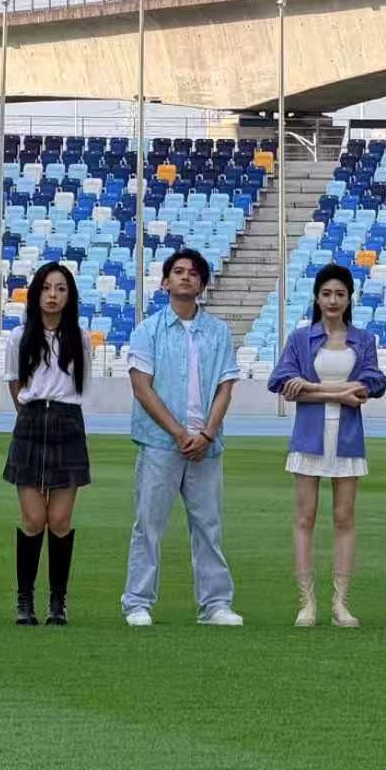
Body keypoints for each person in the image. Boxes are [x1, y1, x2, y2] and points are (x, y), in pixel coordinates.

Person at [122, 248, 244, 627]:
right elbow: (142, 388)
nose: (186, 277)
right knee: (148, 524)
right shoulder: (148, 331)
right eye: (178, 271)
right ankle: (138, 602)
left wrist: (206, 433)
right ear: (165, 282)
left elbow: (225, 386)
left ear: (202, 284)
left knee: (208, 526)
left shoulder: (218, 332)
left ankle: (215, 604)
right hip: (160, 443)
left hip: (206, 446)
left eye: (193, 273)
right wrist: (177, 432)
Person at [267, 263, 386, 628]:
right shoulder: (300, 339)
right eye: (326, 294)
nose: (333, 300)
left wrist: (309, 388)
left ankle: (340, 604)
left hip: (347, 438)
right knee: (305, 518)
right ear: (316, 298)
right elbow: (280, 381)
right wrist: (338, 393)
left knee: (344, 519)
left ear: (349, 299)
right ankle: (306, 603)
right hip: (309, 437)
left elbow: (372, 384)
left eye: (340, 294)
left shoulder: (363, 340)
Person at [3, 261, 91, 627]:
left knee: (60, 519)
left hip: (68, 422)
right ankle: (25, 600)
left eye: (60, 289)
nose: (52, 295)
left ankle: (58, 602)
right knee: (33, 519)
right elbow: (14, 383)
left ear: (70, 296)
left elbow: (81, 383)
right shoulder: (18, 337)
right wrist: (30, 414)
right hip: (32, 420)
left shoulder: (79, 338)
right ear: (36, 293)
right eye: (46, 288)